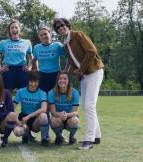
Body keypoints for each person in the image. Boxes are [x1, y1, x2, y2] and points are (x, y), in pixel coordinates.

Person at [53, 18, 104, 150]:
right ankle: (96, 136)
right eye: (57, 27)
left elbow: (92, 51)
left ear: (68, 25)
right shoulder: (66, 44)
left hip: (94, 72)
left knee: (89, 105)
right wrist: (65, 72)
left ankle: (89, 140)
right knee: (88, 106)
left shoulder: (78, 35)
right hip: (84, 76)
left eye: (62, 25)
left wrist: (81, 69)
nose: (60, 28)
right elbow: (70, 61)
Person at [12, 72, 49, 146]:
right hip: (24, 118)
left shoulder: (42, 93)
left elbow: (44, 109)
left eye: (36, 82)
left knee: (44, 116)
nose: (33, 84)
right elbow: (12, 107)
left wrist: (29, 116)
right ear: (28, 81)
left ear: (38, 82)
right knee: (17, 132)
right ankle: (26, 134)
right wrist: (17, 120)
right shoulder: (21, 92)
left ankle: (44, 139)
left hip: (36, 119)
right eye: (31, 81)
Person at [0, 19, 33, 91]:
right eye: (12, 28)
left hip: (22, 69)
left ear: (20, 29)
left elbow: (31, 56)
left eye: (16, 27)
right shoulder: (3, 42)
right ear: (9, 31)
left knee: (23, 92)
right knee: (7, 93)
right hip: (8, 70)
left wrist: (29, 67)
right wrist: (0, 67)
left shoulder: (27, 42)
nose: (14, 29)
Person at [48, 72, 80, 145]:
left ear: (68, 81)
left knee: (75, 120)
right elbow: (53, 112)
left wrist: (67, 115)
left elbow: (75, 112)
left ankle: (72, 138)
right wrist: (59, 114)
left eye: (65, 78)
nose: (62, 80)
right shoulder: (51, 92)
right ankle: (59, 137)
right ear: (57, 81)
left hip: (70, 117)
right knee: (54, 121)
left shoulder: (74, 92)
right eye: (60, 79)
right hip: (57, 117)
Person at [32, 26, 65, 94]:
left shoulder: (58, 45)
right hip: (42, 76)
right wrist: (36, 69)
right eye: (41, 35)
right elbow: (34, 60)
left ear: (50, 34)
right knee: (44, 98)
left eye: (45, 34)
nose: (43, 36)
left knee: (55, 97)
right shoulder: (36, 48)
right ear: (39, 37)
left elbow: (69, 57)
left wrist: (65, 70)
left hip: (56, 75)